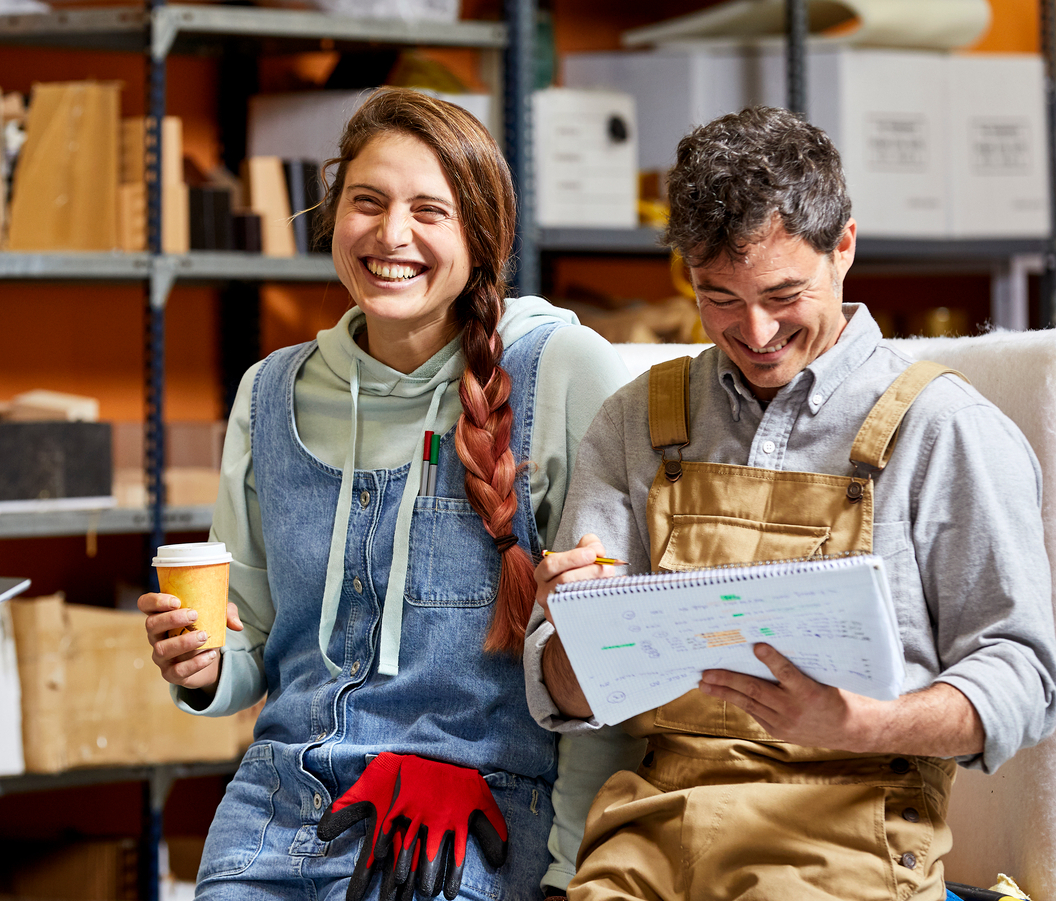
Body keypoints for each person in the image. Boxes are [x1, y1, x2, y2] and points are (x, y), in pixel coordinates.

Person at [528, 105, 1056, 901]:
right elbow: (564, 694)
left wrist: (865, 724)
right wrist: (574, 628)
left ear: (843, 246)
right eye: (718, 297)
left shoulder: (944, 428)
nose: (755, 330)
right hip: (652, 830)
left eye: (782, 293)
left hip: (850, 828)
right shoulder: (637, 421)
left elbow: (1026, 676)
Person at [140, 88, 633, 899]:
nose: (390, 234)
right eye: (366, 203)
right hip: (275, 816)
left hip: (466, 828)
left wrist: (572, 873)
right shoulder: (268, 392)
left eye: (428, 211)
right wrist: (201, 665)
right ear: (333, 216)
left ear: (481, 235)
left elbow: (611, 669)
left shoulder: (561, 372)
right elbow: (248, 641)